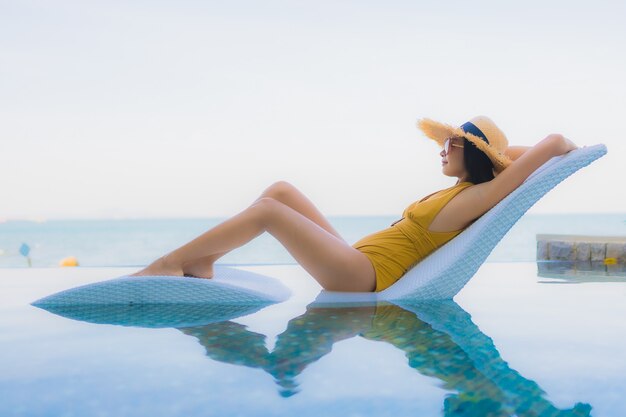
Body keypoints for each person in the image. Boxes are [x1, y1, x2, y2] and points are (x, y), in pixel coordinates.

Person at [131, 115, 579, 292]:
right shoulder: (460, 192)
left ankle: (169, 263)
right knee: (282, 190)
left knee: (269, 212)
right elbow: (510, 160)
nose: (442, 149)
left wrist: (501, 153)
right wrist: (494, 153)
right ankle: (204, 261)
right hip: (359, 257)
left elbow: (552, 143)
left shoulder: (478, 196)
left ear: (475, 153)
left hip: (362, 276)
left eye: (452, 144)